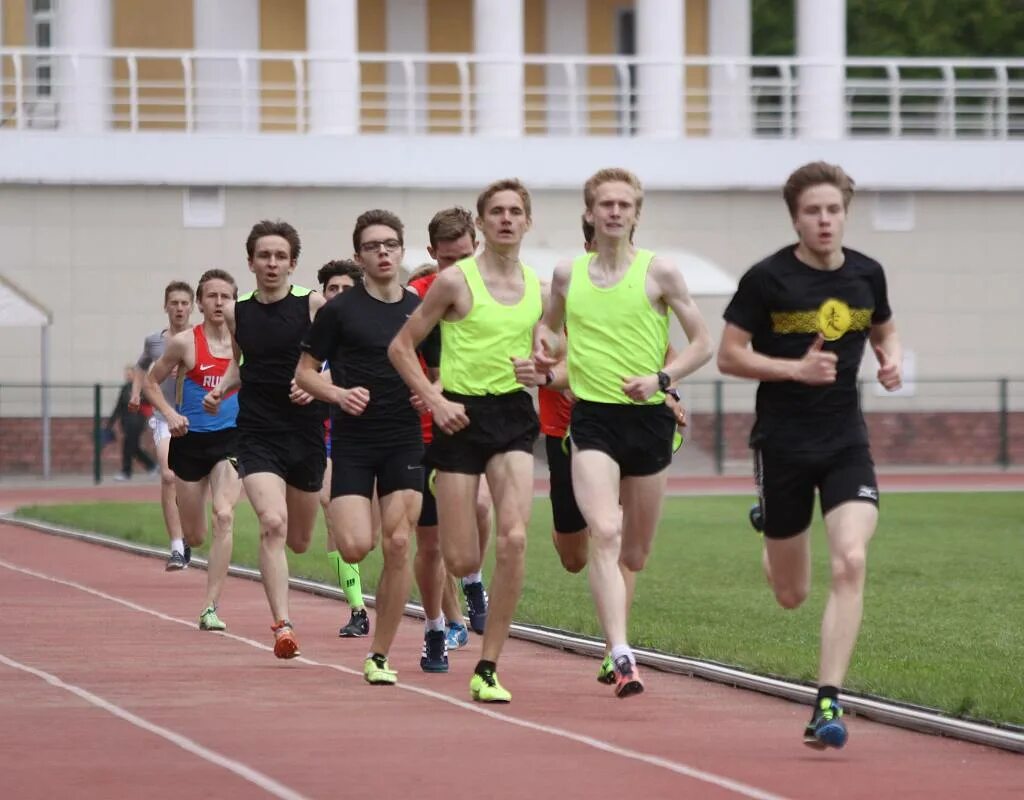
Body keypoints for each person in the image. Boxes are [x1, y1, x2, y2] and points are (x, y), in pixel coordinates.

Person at [716, 161, 902, 749]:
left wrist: (890, 359)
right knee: (791, 593)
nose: (824, 221)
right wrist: (795, 368)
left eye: (833, 210)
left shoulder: (868, 274)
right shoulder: (767, 279)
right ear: (795, 218)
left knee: (850, 561)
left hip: (845, 440)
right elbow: (729, 356)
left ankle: (827, 701)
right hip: (783, 444)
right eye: (812, 212)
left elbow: (883, 330)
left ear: (845, 213)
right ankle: (768, 520)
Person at [535, 167, 713, 699]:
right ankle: (619, 652)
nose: (614, 212)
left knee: (635, 551)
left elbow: (703, 342)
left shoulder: (662, 273)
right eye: (605, 204)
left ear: (636, 214)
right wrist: (544, 351)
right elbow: (549, 326)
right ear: (590, 212)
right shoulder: (568, 273)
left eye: (624, 205)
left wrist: (663, 379)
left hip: (649, 419)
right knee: (605, 534)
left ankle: (619, 638)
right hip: (593, 420)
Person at [389, 179, 542, 703]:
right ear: (484, 222)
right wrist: (435, 401)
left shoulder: (539, 286)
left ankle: (490, 664)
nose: (506, 219)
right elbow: (401, 348)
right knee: (458, 558)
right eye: (496, 211)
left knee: (516, 537)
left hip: (513, 415)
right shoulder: (453, 282)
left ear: (527, 222)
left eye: (514, 211)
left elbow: (557, 353)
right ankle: (465, 589)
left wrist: (544, 370)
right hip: (458, 415)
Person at [296, 210, 436, 684]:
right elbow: (304, 373)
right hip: (354, 441)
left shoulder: (419, 306)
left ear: (401, 251)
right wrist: (337, 394)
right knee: (356, 546)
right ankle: (363, 567)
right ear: (360, 256)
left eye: (391, 244)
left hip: (403, 437)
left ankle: (379, 654)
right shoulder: (340, 310)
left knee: (400, 543)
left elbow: (438, 369)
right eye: (373, 245)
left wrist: (428, 392)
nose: (383, 252)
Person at [204, 219, 327, 659]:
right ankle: (283, 626)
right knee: (272, 524)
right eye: (264, 256)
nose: (271, 263)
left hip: (306, 433)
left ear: (292, 263)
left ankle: (284, 611)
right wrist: (222, 387)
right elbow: (243, 362)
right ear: (251, 261)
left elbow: (338, 360)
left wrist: (316, 379)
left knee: (299, 540)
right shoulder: (238, 310)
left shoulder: (312, 304)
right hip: (257, 432)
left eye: (280, 256)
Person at [407, 206, 492, 654]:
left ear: (475, 247)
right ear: (431, 254)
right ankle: (439, 623)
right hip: (418, 429)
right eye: (445, 260)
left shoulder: (491, 289)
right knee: (430, 542)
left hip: (470, 419)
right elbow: (395, 349)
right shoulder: (416, 295)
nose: (454, 270)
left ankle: (475, 582)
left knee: (479, 506)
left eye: (463, 257)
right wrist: (423, 388)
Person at [143, 269, 242, 631]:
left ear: (235, 301)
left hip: (231, 439)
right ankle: (186, 544)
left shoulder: (243, 341)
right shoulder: (185, 342)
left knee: (225, 515)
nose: (219, 303)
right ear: (200, 303)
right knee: (197, 535)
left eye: (226, 296)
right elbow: (151, 383)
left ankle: (210, 607)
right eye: (212, 296)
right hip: (190, 440)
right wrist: (169, 414)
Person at [316, 259, 372, 639]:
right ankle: (357, 607)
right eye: (331, 289)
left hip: (374, 437)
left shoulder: (370, 331)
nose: (337, 296)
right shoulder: (311, 335)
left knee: (383, 538)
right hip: (326, 438)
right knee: (332, 514)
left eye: (345, 290)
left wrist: (322, 379)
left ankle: (443, 619)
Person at [130, 281, 194, 569]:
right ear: (165, 306)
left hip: (195, 417)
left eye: (184, 303)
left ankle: (191, 531)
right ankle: (177, 548)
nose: (179, 308)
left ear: (192, 306)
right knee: (169, 476)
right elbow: (142, 367)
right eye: (174, 303)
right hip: (163, 417)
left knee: (191, 483)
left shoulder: (201, 339)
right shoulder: (154, 341)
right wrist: (135, 392)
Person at [106, 365, 158, 482]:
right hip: (126, 422)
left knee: (128, 447)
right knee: (133, 447)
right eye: (126, 373)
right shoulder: (124, 388)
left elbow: (149, 402)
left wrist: (139, 398)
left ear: (135, 375)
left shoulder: (141, 387)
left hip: (137, 421)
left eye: (129, 373)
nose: (127, 376)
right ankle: (151, 465)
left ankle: (126, 472)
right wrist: (110, 423)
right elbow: (118, 407)